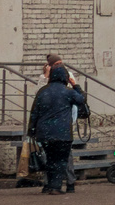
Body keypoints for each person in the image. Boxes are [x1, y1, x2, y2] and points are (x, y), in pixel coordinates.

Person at [28, 66, 88, 195]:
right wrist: (75, 85)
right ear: (65, 77)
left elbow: (34, 112)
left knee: (50, 159)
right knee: (60, 160)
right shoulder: (68, 92)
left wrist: (31, 130)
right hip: (62, 133)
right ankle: (55, 187)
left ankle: (48, 186)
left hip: (44, 132)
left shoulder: (43, 91)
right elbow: (82, 99)